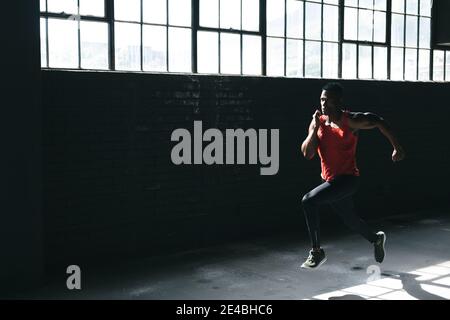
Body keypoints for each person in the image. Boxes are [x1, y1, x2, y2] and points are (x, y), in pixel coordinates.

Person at [300, 82, 406, 269]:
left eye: (329, 101)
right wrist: (315, 128)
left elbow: (378, 121)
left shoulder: (351, 120)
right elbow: (307, 153)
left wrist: (397, 147)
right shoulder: (318, 122)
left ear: (339, 102)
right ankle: (376, 239)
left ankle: (317, 252)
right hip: (331, 181)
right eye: (322, 100)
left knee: (308, 201)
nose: (325, 104)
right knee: (351, 220)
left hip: (348, 179)